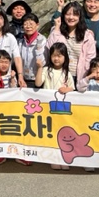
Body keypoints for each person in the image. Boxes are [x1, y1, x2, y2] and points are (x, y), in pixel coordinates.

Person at [34, 42, 74, 171]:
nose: (56, 58)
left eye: (59, 56)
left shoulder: (67, 73)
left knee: (63, 134)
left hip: (62, 109)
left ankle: (63, 158)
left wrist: (67, 89)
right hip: (48, 108)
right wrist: (40, 68)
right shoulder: (47, 70)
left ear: (65, 57)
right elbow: (38, 83)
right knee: (51, 133)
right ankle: (53, 158)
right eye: (54, 55)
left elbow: (72, 88)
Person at [45, 1, 96, 85]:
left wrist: (85, 77)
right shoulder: (57, 31)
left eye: (75, 14)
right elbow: (49, 49)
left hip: (79, 77)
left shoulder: (87, 36)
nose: (71, 17)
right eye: (68, 14)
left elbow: (90, 58)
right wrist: (57, 28)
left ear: (80, 17)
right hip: (58, 75)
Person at [18, 13, 47, 88]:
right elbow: (18, 60)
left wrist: (38, 47)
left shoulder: (42, 40)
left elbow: (42, 62)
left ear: (37, 25)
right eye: (25, 24)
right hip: (23, 80)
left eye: (31, 24)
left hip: (38, 79)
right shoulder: (21, 42)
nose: (28, 26)